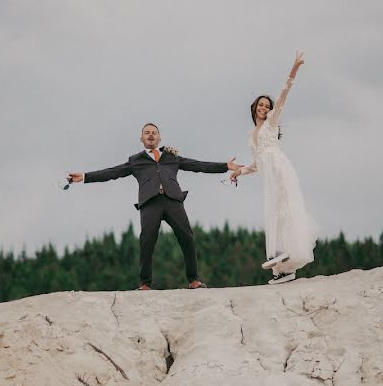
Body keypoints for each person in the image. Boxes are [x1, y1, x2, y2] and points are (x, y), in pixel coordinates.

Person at [68, 123, 242, 290]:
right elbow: (111, 172)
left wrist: (225, 166)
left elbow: (198, 165)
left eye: (154, 132)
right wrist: (84, 177)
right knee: (147, 241)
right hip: (150, 203)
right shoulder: (136, 160)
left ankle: (194, 280)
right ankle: (145, 283)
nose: (150, 135)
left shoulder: (171, 157)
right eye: (147, 132)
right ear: (141, 138)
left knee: (187, 237)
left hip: (173, 200)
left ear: (159, 138)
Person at [230, 51, 319, 284]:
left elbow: (283, 94)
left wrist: (294, 68)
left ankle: (288, 254)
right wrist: (239, 171)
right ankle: (281, 268)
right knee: (274, 215)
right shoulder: (251, 136)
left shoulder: (272, 122)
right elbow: (258, 164)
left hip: (280, 169)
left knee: (284, 209)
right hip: (267, 175)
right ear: (254, 108)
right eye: (260, 105)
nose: (263, 107)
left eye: (266, 105)